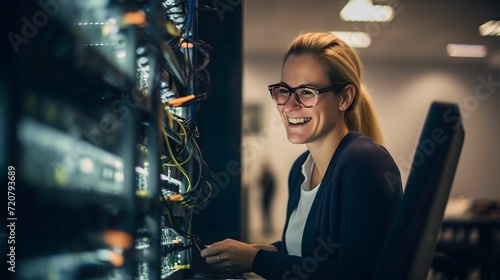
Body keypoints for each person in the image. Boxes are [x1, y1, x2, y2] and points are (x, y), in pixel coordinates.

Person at [200, 32, 402, 279]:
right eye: (284, 90)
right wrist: (269, 250)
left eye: (306, 92)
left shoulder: (363, 162)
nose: (289, 106)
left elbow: (351, 272)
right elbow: (310, 253)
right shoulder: (301, 168)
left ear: (345, 98)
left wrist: (257, 260)